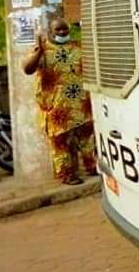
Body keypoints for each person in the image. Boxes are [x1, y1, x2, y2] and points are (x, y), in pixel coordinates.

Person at [22, 18, 96, 185]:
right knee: (60, 143)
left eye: (65, 29)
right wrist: (38, 52)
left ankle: (91, 167)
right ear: (50, 31)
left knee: (87, 138)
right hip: (57, 108)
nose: (62, 32)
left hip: (81, 104)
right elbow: (27, 69)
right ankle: (67, 175)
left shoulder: (77, 47)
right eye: (58, 30)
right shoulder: (42, 50)